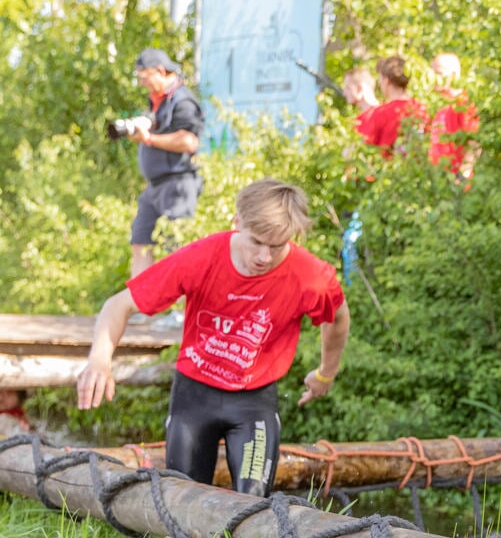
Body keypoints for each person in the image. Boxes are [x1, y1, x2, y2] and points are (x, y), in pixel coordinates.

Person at [77, 179, 350, 497]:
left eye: (277, 246)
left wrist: (326, 373)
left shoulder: (309, 276)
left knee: (252, 504)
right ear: (237, 223)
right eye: (256, 242)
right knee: (181, 498)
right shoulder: (201, 257)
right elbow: (118, 305)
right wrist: (99, 359)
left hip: (254, 400)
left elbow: (338, 317)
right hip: (195, 396)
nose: (264, 257)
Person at [128, 48, 204, 279]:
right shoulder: (158, 101)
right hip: (154, 186)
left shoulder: (183, 101)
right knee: (141, 241)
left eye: (145, 77)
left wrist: (149, 138)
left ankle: (182, 313)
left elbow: (189, 141)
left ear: (160, 71)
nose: (143, 83)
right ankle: (142, 308)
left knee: (177, 247)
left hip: (178, 183)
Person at [355, 55, 426, 158]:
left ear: (386, 81)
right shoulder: (421, 109)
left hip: (389, 170)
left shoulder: (381, 112)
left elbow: (366, 148)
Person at [427, 52, 479, 179]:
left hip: (455, 181)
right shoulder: (440, 104)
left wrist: (462, 177)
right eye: (432, 73)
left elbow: (474, 142)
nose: (434, 79)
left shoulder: (463, 103)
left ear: (454, 75)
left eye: (439, 73)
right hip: (438, 179)